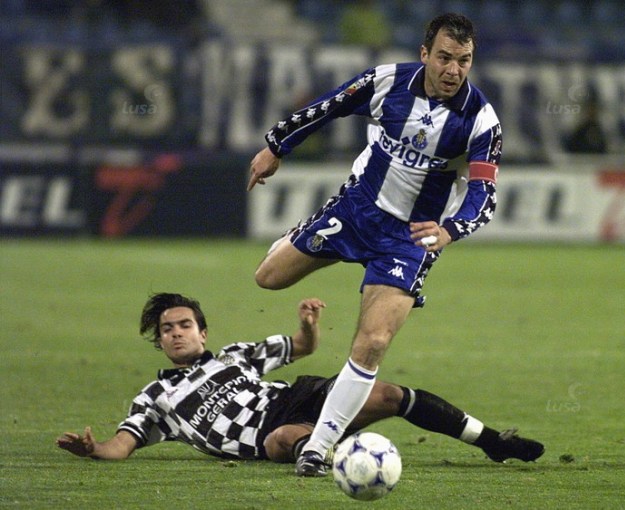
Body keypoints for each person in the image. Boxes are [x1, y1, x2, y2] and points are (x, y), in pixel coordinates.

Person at [247, 13, 519, 476]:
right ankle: (303, 234)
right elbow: (329, 106)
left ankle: (318, 448)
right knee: (268, 278)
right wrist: (276, 146)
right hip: (356, 211)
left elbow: (484, 193)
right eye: (445, 58)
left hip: (409, 239)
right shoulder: (387, 81)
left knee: (373, 341)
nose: (454, 70)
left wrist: (451, 230)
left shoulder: (481, 121)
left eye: (464, 60)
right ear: (425, 54)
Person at [56, 293, 544, 466]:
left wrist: (308, 326)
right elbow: (122, 446)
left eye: (185, 325)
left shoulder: (236, 356)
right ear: (159, 341)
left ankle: (491, 442)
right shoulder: (157, 396)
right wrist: (93, 449)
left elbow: (302, 347)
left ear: (203, 332)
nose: (177, 333)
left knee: (392, 395)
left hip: (299, 395)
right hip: (265, 437)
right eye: (168, 329)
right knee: (284, 439)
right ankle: (338, 459)